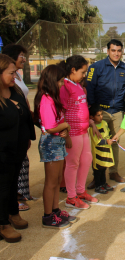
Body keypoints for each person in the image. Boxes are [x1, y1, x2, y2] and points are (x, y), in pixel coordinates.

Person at [34, 65, 76, 229]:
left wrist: (64, 131)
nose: (61, 84)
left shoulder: (52, 98)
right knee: (51, 182)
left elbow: (56, 125)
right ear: (52, 81)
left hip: (57, 141)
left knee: (58, 179)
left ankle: (55, 210)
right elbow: (50, 127)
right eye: (59, 81)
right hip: (50, 143)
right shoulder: (46, 99)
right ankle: (47, 216)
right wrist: (66, 126)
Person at [0, 54, 35, 242]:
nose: (15, 76)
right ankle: (2, 223)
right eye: (11, 73)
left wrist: (29, 135)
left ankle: (13, 214)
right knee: (3, 188)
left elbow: (26, 115)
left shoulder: (15, 91)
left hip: (17, 149)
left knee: (13, 184)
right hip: (2, 153)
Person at [86, 39, 125, 185]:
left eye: (119, 50)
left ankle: (113, 172)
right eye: (113, 50)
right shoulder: (95, 67)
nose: (116, 53)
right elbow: (90, 89)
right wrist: (93, 111)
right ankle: (97, 175)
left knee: (114, 142)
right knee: (100, 143)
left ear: (122, 51)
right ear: (108, 51)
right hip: (101, 112)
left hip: (118, 112)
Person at [60, 56, 98, 209]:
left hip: (83, 130)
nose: (84, 75)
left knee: (86, 160)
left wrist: (90, 122)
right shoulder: (64, 86)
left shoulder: (78, 85)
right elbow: (61, 111)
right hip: (73, 132)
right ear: (73, 70)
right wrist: (66, 133)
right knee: (72, 164)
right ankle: (71, 197)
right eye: (83, 72)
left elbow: (82, 107)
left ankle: (80, 191)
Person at [2, 44, 32, 210]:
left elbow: (24, 99)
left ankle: (19, 197)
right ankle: (14, 201)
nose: (24, 58)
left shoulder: (18, 77)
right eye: (21, 55)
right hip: (11, 129)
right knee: (10, 169)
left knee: (21, 163)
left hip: (21, 127)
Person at [88, 104, 115, 194]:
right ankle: (98, 185)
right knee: (98, 170)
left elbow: (108, 133)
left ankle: (103, 183)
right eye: (98, 115)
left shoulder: (105, 123)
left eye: (101, 114)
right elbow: (97, 142)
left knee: (104, 168)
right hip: (98, 153)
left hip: (106, 152)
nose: (101, 117)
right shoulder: (92, 128)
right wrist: (107, 141)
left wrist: (112, 138)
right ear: (92, 117)